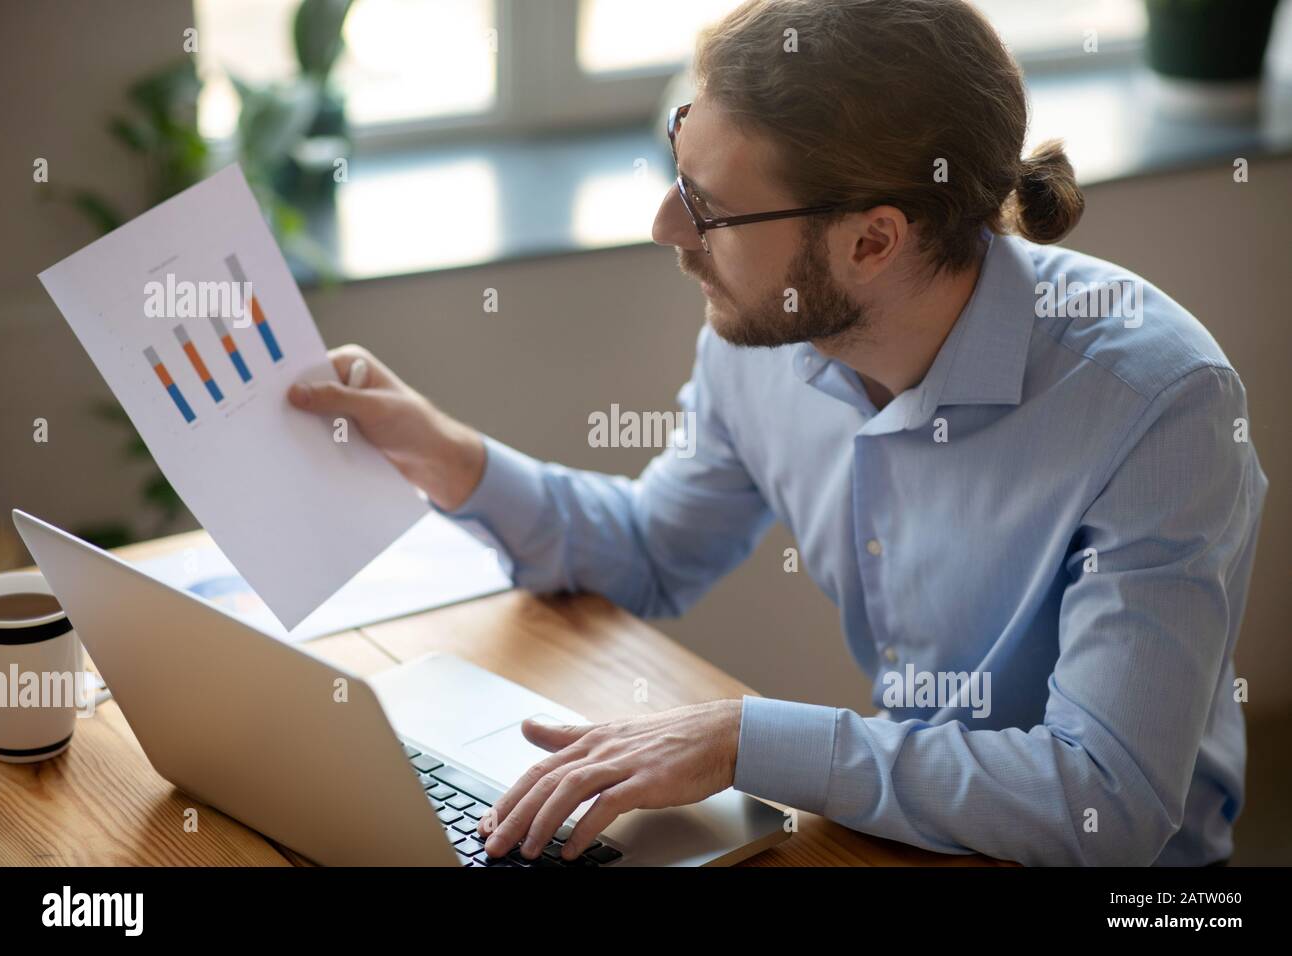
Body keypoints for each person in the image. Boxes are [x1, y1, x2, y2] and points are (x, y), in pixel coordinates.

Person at [287, 0, 1268, 866]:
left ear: (871, 240)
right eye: (678, 169)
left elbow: (1105, 799)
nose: (667, 226)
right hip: (905, 830)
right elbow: (650, 551)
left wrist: (745, 739)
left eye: (708, 207)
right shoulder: (769, 334)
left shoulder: (1159, 405)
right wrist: (442, 452)